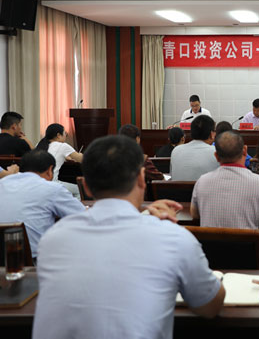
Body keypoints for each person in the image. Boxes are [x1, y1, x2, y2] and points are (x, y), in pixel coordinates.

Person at [33, 135, 225, 339]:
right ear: (142, 179)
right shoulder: (173, 238)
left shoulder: (52, 239)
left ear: (86, 186)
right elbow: (209, 307)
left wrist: (147, 218)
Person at [191, 130, 259, 228]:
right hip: (249, 239)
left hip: (209, 239)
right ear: (245, 151)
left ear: (216, 156)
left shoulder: (201, 182)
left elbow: (195, 214)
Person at [0, 149, 85, 259]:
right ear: (50, 170)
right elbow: (84, 217)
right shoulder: (52, 189)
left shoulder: (3, 184)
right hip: (34, 261)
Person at [35, 123, 83, 196]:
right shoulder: (62, 146)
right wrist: (81, 154)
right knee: (79, 190)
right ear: (58, 135)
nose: (66, 136)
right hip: (52, 183)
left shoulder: (39, 145)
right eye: (65, 133)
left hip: (37, 184)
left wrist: (65, 157)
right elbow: (80, 159)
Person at [170, 115, 219, 180]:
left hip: (177, 187)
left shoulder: (176, 150)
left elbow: (172, 176)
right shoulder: (217, 152)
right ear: (212, 134)